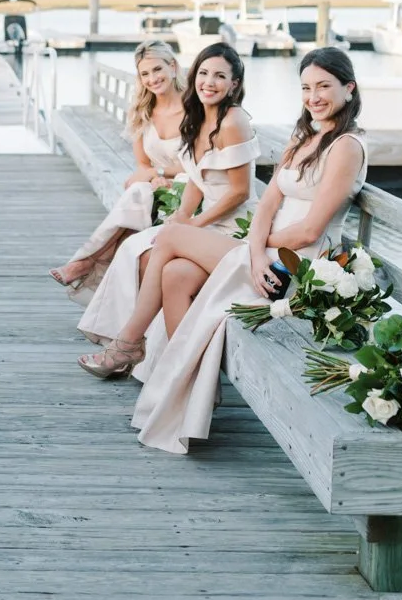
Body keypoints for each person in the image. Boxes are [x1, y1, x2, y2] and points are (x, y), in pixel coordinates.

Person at [128, 47, 370, 454]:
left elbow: (310, 230)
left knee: (169, 238)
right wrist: (255, 250)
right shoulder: (305, 138)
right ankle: (187, 397)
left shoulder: (345, 146)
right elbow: (267, 206)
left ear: (349, 89)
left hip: (298, 268)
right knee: (174, 276)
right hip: (262, 256)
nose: (314, 96)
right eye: (307, 87)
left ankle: (127, 344)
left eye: (324, 86)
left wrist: (259, 250)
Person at [76, 42, 258, 373]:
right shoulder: (200, 117)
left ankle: (129, 344)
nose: (209, 82)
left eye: (220, 76)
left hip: (236, 229)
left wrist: (193, 224)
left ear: (234, 84)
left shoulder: (233, 122)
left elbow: (240, 193)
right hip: (205, 225)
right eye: (203, 73)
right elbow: (194, 178)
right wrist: (182, 215)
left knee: (163, 241)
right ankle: (174, 371)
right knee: (153, 261)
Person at [47, 41, 185, 302]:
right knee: (140, 193)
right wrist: (154, 177)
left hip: (189, 189)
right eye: (145, 74)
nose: (153, 79)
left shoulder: (194, 110)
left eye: (158, 69)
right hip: (156, 189)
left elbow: (198, 162)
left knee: (137, 195)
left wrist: (157, 173)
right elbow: (142, 164)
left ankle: (85, 261)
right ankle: (89, 267)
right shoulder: (143, 112)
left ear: (173, 66)